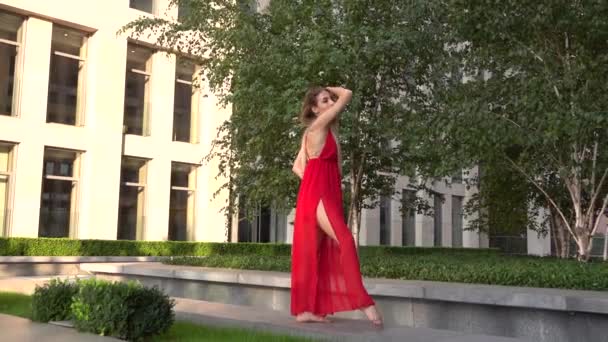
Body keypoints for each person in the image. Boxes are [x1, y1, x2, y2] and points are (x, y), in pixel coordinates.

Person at [290, 86, 383, 326]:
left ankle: (306, 310)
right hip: (319, 193)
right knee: (345, 239)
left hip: (322, 192)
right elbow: (348, 94)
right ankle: (364, 302)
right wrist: (330, 87)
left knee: (315, 252)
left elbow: (297, 167)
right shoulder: (318, 125)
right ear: (315, 108)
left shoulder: (326, 130)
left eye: (330, 99)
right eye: (325, 100)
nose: (331, 102)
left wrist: (313, 182)